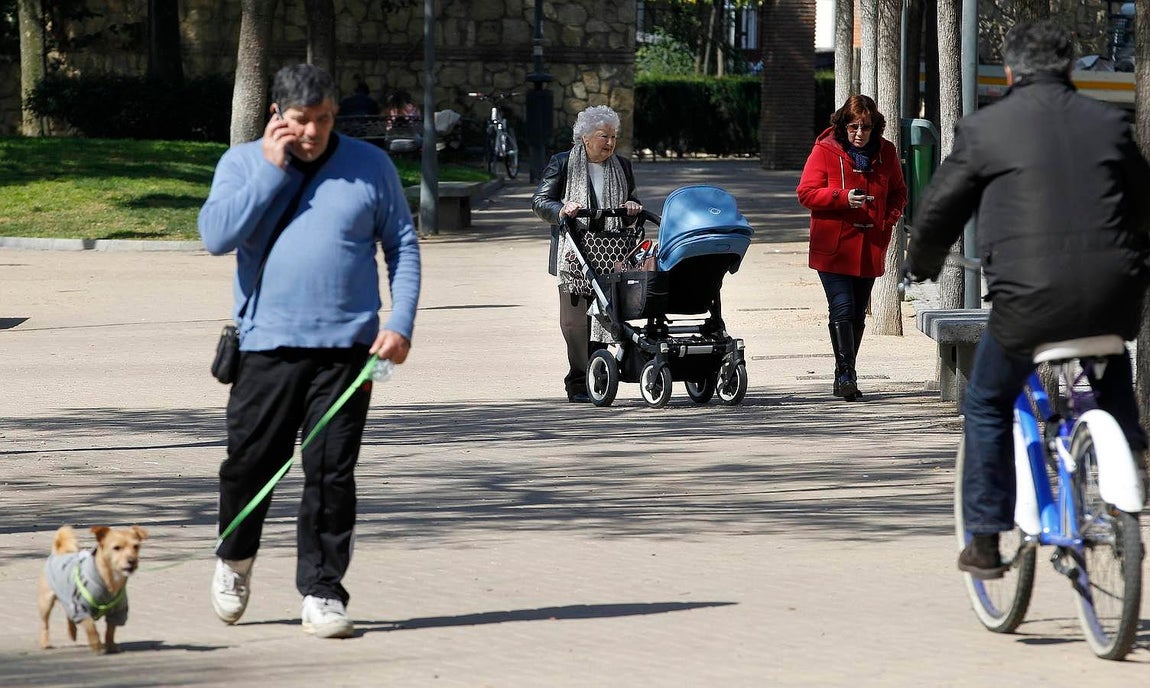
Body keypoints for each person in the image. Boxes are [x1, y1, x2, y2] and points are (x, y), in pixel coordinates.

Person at [905, 21, 1150, 578]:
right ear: (1068, 70)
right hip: (1113, 296)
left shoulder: (987, 129)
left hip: (1028, 303)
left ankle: (987, 540)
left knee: (987, 403)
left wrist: (916, 266)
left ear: (1011, 73)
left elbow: (940, 211)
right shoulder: (1109, 124)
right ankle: (1128, 459)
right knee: (1109, 362)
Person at [198, 64, 421, 637]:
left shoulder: (369, 165)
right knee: (250, 467)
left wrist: (399, 321)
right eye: (302, 121)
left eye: (324, 119)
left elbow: (401, 244)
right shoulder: (242, 163)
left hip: (348, 351)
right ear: (277, 116)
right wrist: (271, 171)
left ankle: (323, 591)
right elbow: (216, 237)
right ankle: (235, 559)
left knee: (330, 476)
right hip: (266, 348)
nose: (315, 132)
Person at [796, 95, 908, 401]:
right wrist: (841, 197)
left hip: (870, 244)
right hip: (833, 246)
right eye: (853, 126)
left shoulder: (886, 152)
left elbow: (899, 192)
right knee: (842, 307)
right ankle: (847, 373)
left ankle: (843, 371)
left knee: (858, 313)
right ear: (843, 125)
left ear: (875, 128)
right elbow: (805, 193)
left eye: (866, 127)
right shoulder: (825, 150)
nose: (859, 133)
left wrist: (888, 218)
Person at [531, 105, 643, 403]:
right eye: (603, 136)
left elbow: (630, 202)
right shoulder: (563, 163)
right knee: (574, 323)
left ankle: (599, 374)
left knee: (608, 317)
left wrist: (632, 208)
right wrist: (561, 209)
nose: (609, 142)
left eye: (613, 137)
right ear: (584, 138)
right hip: (575, 253)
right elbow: (541, 201)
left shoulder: (622, 166)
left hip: (613, 251)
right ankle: (578, 380)